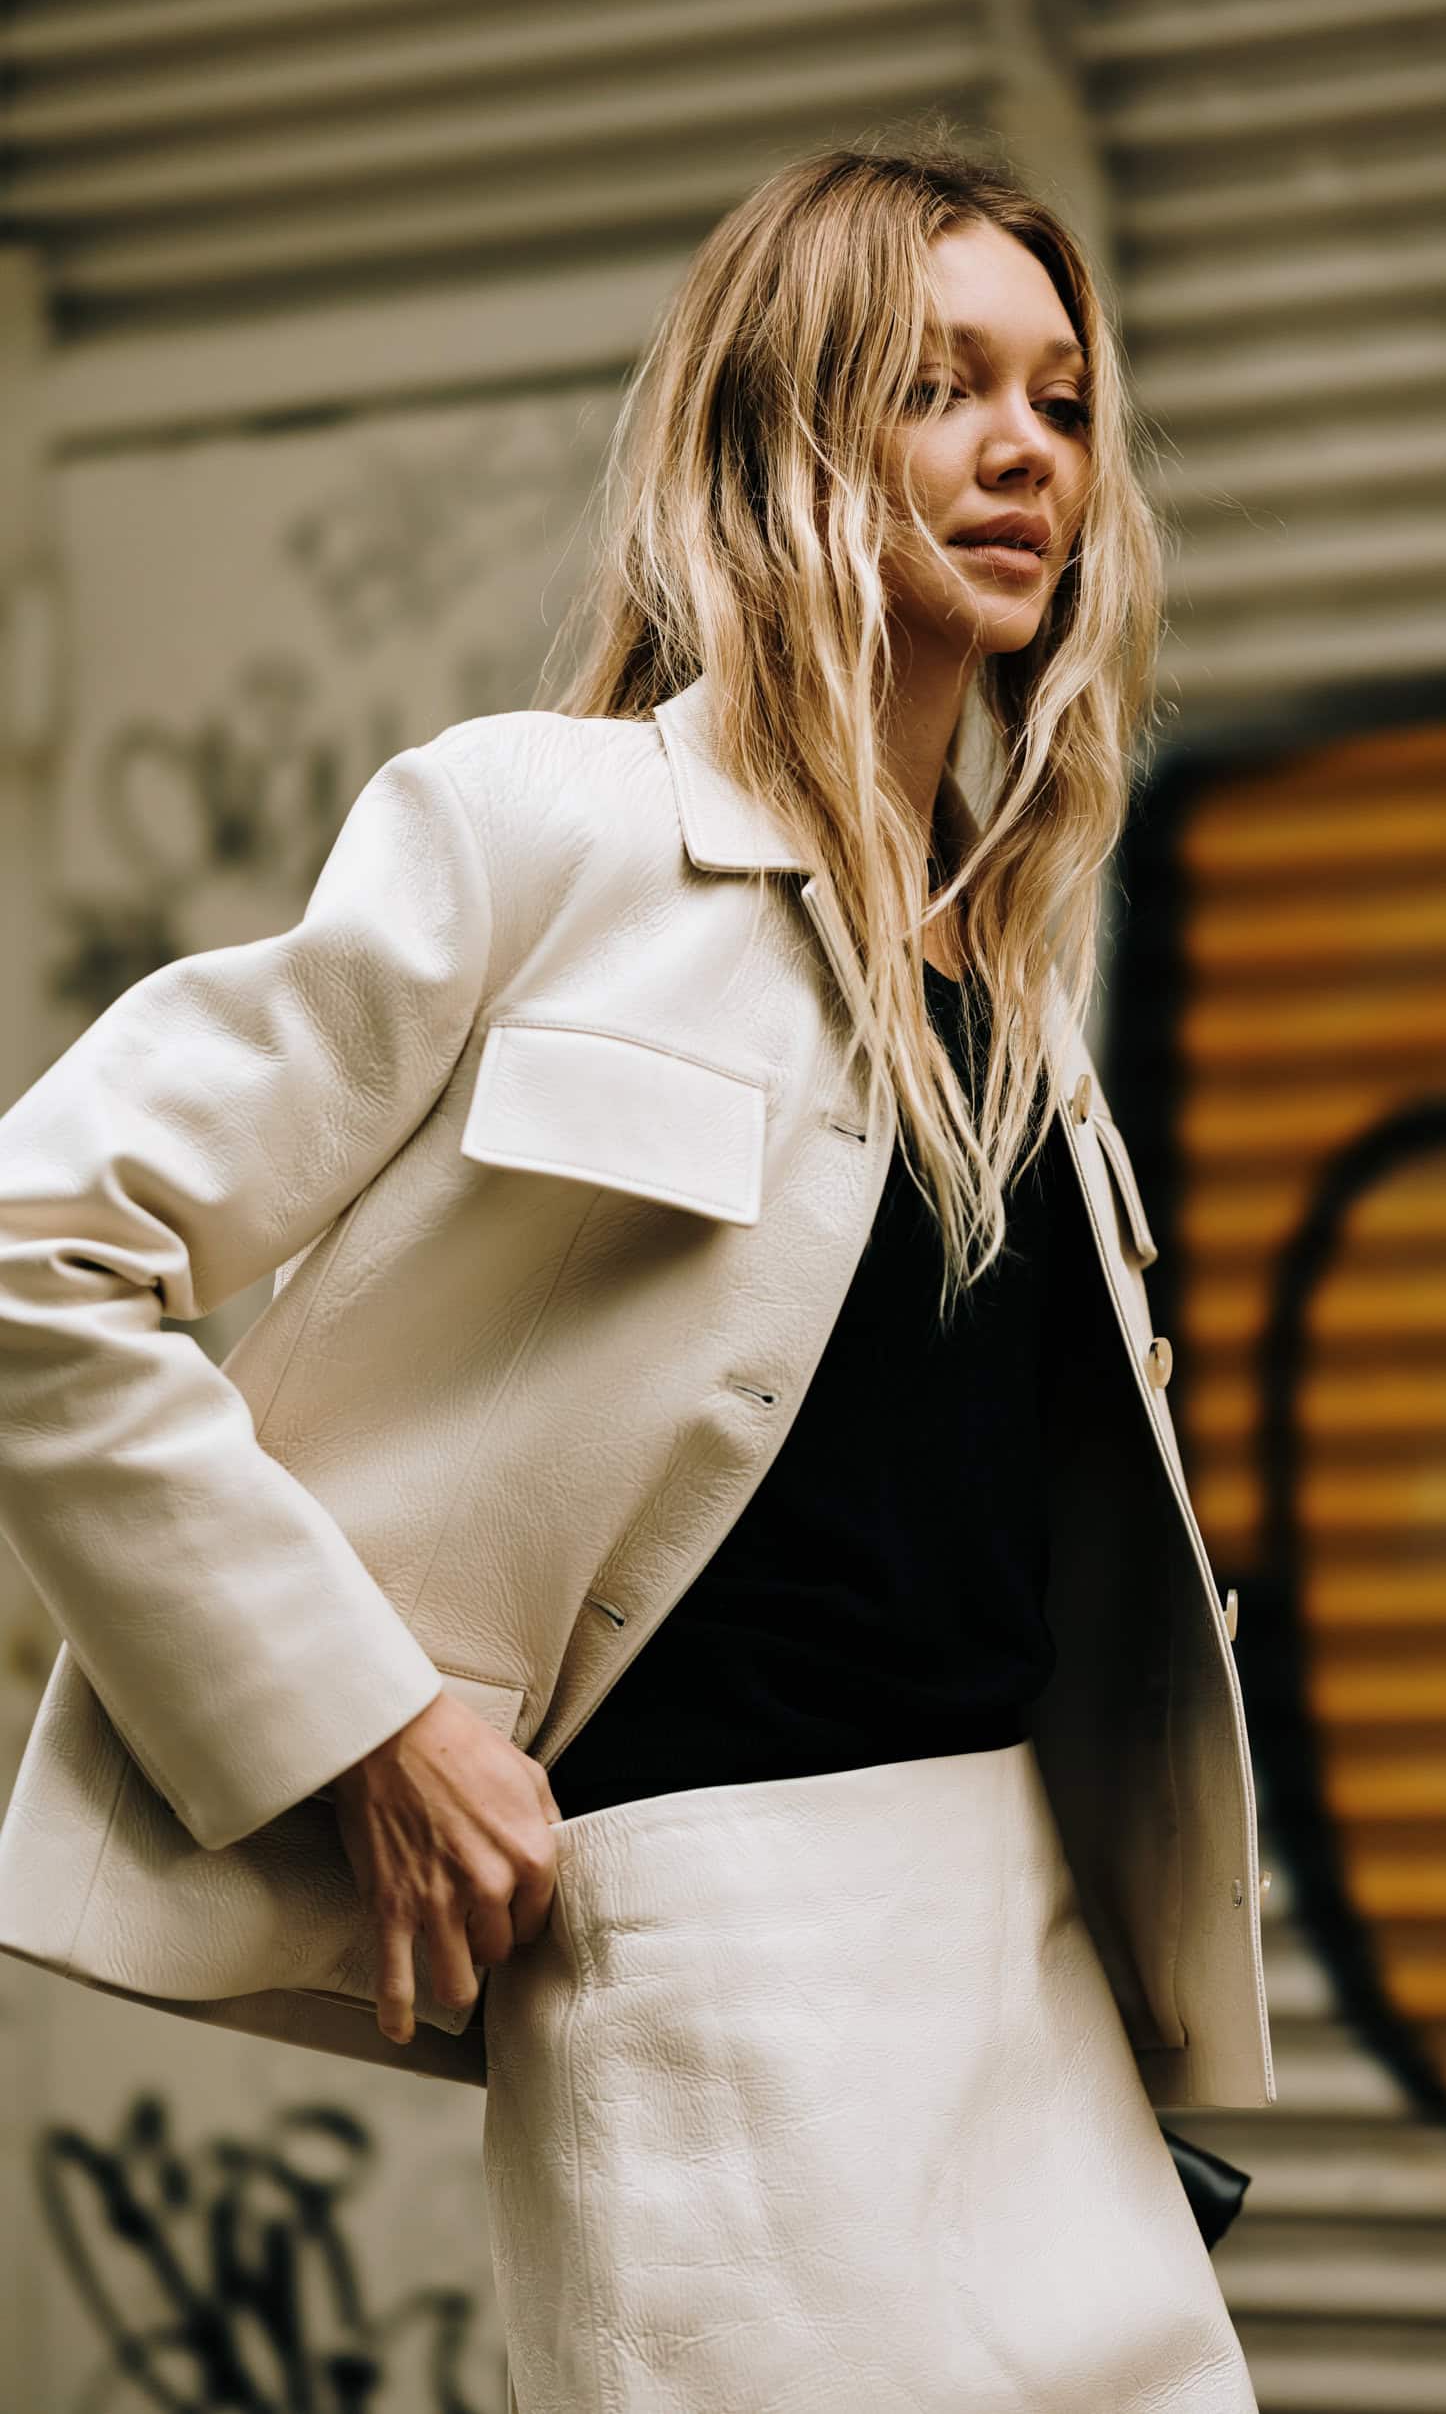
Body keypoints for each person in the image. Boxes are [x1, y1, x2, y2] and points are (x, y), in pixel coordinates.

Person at [0, 136, 1272, 2412]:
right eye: (939, 385)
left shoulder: (1018, 981)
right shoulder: (546, 831)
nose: (1024, 451)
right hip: (707, 1978)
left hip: (1036, 1966)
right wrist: (360, 1722)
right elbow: (36, 1248)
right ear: (784, 433)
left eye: (1063, 400)